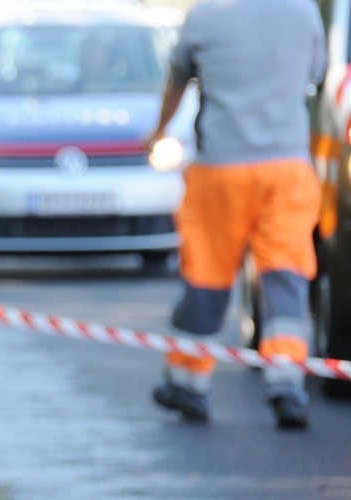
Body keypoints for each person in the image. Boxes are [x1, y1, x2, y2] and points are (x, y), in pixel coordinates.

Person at [143, 0, 326, 429]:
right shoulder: (303, 11)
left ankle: (187, 381)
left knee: (206, 274)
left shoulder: (206, 15)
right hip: (287, 166)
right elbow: (313, 76)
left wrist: (157, 132)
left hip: (220, 166)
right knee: (285, 272)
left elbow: (177, 80)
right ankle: (286, 383)